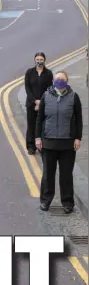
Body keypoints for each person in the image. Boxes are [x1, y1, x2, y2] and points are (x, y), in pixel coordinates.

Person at [35, 71, 83, 214]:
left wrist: (78, 138)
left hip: (67, 143)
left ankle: (67, 202)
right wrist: (37, 137)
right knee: (48, 175)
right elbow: (40, 119)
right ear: (53, 80)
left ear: (67, 81)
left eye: (62, 79)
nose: (60, 81)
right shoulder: (46, 96)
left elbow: (79, 119)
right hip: (49, 142)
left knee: (66, 175)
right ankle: (45, 200)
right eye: (57, 79)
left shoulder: (74, 97)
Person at [25, 52, 53, 154]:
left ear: (44, 60)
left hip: (44, 104)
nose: (39, 61)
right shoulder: (29, 72)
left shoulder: (49, 73)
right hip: (31, 104)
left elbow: (50, 89)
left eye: (41, 59)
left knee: (42, 125)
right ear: (34, 60)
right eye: (37, 59)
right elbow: (27, 88)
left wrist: (41, 102)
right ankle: (31, 146)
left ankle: (42, 146)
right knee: (31, 125)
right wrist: (35, 101)